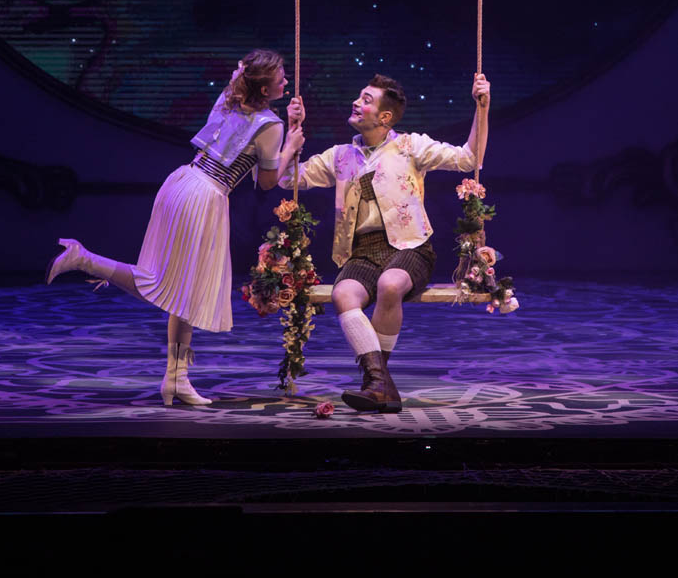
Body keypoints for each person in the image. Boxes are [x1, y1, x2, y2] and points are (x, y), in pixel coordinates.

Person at [46, 49, 305, 407]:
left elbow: (239, 78)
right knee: (161, 284)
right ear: (264, 89)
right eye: (280, 78)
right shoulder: (270, 126)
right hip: (205, 196)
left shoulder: (229, 99)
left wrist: (286, 123)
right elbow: (267, 182)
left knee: (185, 291)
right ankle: (85, 259)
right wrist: (290, 144)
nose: (286, 81)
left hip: (183, 181)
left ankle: (176, 378)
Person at [281, 72, 490, 412]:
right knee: (343, 294)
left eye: (366, 100)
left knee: (390, 285)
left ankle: (377, 382)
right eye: (359, 96)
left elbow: (469, 158)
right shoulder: (340, 156)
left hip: (410, 247)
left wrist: (482, 107)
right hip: (362, 252)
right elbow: (288, 179)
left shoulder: (410, 146)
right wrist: (291, 137)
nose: (356, 102)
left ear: (385, 116)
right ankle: (380, 385)